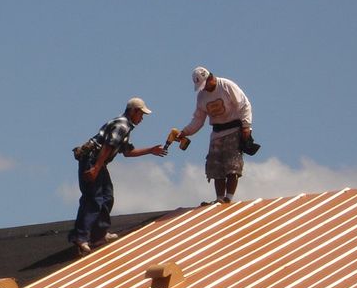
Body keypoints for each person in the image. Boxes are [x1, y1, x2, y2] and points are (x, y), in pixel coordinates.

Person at [69, 97, 167, 256]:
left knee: (107, 197)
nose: (142, 118)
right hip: (93, 160)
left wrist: (150, 150)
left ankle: (98, 235)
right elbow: (107, 147)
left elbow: (127, 152)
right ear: (133, 111)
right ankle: (80, 237)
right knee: (93, 199)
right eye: (141, 114)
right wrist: (95, 168)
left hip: (98, 162)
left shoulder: (126, 127)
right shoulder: (122, 125)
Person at [178, 66, 254, 204]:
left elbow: (244, 105)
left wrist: (246, 126)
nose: (204, 88)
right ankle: (219, 199)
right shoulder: (201, 96)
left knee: (232, 165)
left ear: (210, 78)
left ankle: (228, 198)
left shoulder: (226, 86)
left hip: (234, 128)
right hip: (217, 132)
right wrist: (185, 132)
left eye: (204, 84)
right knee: (215, 166)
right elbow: (198, 119)